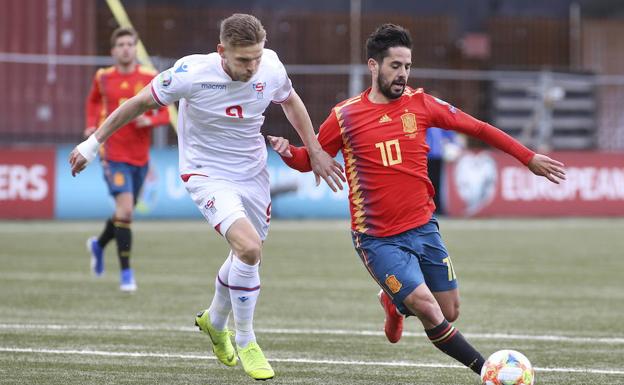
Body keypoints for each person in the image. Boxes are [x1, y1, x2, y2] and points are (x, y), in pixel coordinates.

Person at [269, 23, 565, 377]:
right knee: (427, 307)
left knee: (449, 310)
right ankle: (487, 370)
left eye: (407, 66)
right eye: (395, 66)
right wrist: (290, 153)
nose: (403, 74)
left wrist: (527, 157)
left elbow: (479, 129)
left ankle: (393, 303)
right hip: (377, 239)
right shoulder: (345, 116)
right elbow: (310, 159)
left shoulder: (421, 104)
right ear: (374, 66)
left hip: (424, 228)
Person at [70, 13, 344, 380]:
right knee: (249, 249)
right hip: (206, 173)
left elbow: (291, 102)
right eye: (243, 59)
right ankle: (246, 340)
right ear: (222, 52)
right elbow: (135, 104)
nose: (252, 67)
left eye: (256, 57)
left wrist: (314, 151)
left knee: (244, 255)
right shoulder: (190, 74)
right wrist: (92, 143)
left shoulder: (271, 67)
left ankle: (215, 321)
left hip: (252, 173)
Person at [84, 27, 170, 292]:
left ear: (135, 48)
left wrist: (150, 119)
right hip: (113, 153)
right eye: (120, 44)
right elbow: (93, 103)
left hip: (140, 156)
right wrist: (90, 127)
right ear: (113, 51)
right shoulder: (103, 77)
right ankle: (126, 274)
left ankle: (99, 245)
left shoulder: (149, 77)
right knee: (127, 211)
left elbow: (165, 114)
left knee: (124, 211)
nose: (125, 48)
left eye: (129, 44)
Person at [425, 126, 462, 215]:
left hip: (438, 156)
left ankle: (438, 208)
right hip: (426, 156)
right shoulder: (426, 124)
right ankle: (428, 208)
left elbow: (450, 134)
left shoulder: (438, 124)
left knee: (438, 183)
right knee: (428, 183)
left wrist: (456, 144)